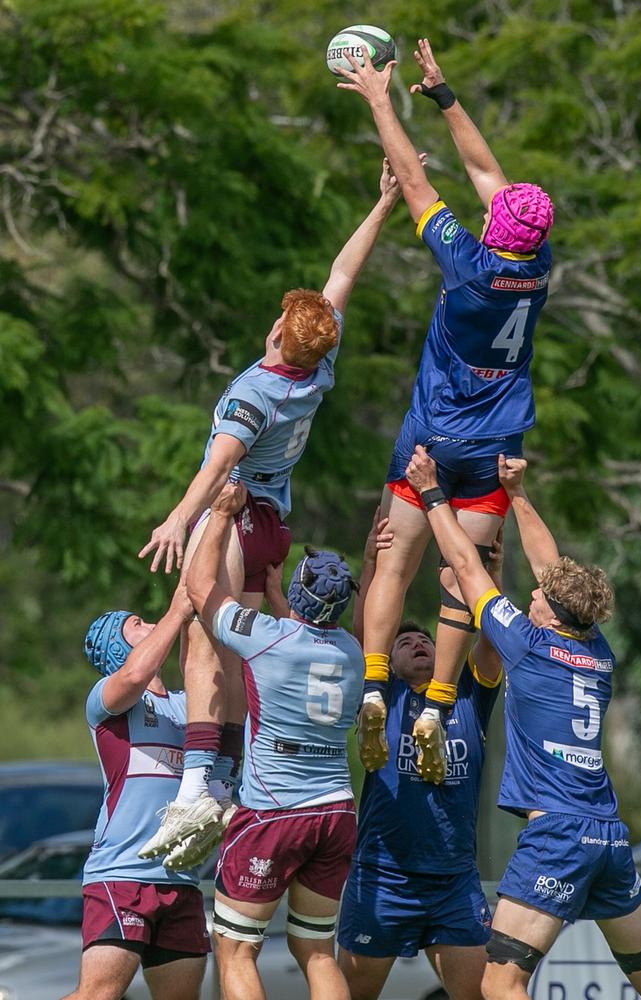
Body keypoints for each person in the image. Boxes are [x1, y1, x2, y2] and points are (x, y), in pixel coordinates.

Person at [138, 161, 406, 858]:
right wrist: (381, 205)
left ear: (280, 333)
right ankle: (224, 780)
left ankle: (197, 786)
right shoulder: (317, 363)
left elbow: (218, 464)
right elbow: (340, 277)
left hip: (234, 512)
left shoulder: (256, 391)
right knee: (237, 654)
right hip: (272, 529)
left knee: (204, 639)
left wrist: (178, 518)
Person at [336, 38, 554, 782]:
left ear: (497, 230)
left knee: (392, 562)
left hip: (430, 440)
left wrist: (380, 98)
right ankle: (434, 706)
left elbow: (413, 177)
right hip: (495, 448)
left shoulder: (469, 265)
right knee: (464, 580)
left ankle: (373, 686)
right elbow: (489, 174)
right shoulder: (536, 266)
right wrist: (444, 94)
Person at [404, 444, 641, 999]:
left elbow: (466, 566)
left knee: (501, 985)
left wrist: (429, 490)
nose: (532, 592)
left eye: (539, 596)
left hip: (558, 837)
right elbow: (552, 567)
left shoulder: (530, 646)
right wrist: (516, 494)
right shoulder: (597, 649)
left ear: (549, 616)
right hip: (609, 837)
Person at [185, 482, 364, 1000]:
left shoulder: (266, 637)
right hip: (334, 812)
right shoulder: (350, 651)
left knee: (236, 949)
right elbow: (302, 630)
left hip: (273, 811)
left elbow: (201, 587)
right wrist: (280, 591)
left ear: (301, 595)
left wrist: (220, 515)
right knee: (315, 952)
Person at [337, 519, 503, 1000]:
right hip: (383, 876)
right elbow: (367, 630)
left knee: (479, 993)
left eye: (426, 639)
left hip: (454, 880)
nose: (419, 642)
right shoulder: (380, 698)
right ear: (386, 662)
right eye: (404, 642)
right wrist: (370, 563)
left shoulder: (468, 696)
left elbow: (489, 637)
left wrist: (487, 568)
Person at [65, 584, 212, 1000]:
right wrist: (177, 610)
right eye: (137, 624)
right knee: (98, 995)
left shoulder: (189, 706)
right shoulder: (108, 699)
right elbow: (134, 674)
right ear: (117, 647)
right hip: (121, 875)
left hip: (181, 878)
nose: (151, 624)